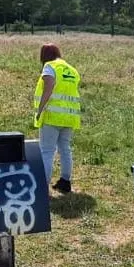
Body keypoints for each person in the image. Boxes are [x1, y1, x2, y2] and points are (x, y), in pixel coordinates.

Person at [33, 43, 81, 193]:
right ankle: (65, 181)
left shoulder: (49, 67)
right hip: (70, 116)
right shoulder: (72, 70)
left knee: (47, 151)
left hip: (52, 116)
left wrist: (40, 110)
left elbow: (49, 86)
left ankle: (43, 186)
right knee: (65, 149)